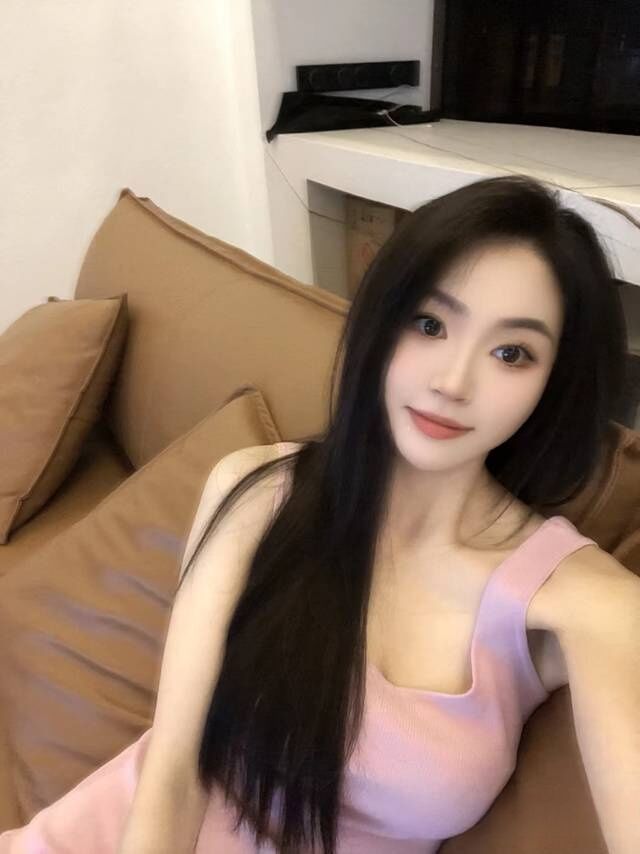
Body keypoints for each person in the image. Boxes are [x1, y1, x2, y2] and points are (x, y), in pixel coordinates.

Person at [0, 174, 636, 854]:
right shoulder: (259, 491)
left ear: (553, 382)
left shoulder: (584, 601)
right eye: (429, 324)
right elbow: (174, 775)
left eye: (512, 353)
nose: (452, 382)